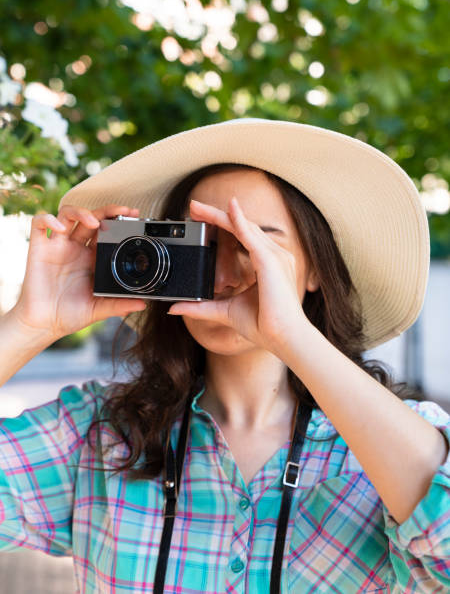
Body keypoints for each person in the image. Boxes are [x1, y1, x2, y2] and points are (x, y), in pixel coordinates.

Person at [0, 118, 449, 593]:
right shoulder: (99, 435)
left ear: (314, 268)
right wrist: (30, 324)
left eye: (254, 244)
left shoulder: (391, 446)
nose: (225, 274)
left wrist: (290, 333)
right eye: (202, 245)